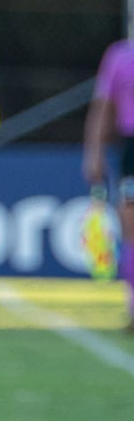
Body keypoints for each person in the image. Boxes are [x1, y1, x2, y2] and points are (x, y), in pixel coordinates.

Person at [83, 38, 134, 329]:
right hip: (132, 151)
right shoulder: (120, 55)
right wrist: (94, 153)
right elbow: (103, 107)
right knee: (131, 227)